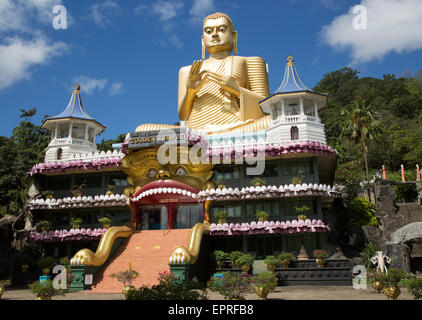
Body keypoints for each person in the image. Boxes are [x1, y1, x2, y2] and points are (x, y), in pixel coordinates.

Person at [136, 12, 271, 134]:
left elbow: (265, 109)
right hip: (195, 130)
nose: (214, 34)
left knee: (271, 121)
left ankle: (204, 137)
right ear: (202, 39)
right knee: (142, 130)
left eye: (222, 29)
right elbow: (183, 116)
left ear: (234, 36)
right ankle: (198, 137)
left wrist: (236, 90)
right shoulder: (187, 70)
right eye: (208, 31)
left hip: (236, 126)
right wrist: (191, 92)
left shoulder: (250, 62)